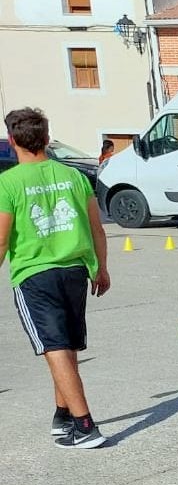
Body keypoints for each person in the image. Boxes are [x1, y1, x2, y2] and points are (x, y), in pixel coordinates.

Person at [0, 107, 112, 448]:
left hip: (35, 273)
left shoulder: (8, 183)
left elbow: (2, 239)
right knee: (64, 343)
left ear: (11, 141)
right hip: (75, 271)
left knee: (55, 347)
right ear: (47, 139)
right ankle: (63, 416)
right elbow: (97, 229)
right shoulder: (74, 177)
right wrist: (101, 268)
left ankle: (85, 424)